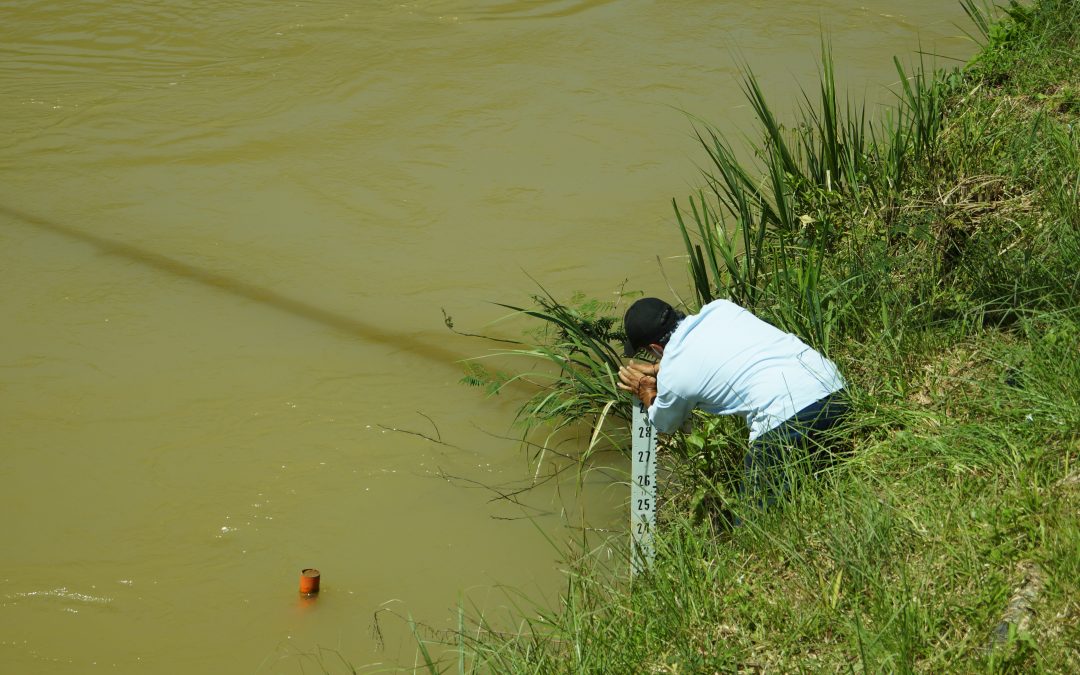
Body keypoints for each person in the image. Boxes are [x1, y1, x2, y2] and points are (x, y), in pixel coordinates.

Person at [616, 297, 849, 505]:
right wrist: (662, 368)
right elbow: (723, 349)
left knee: (753, 522)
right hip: (836, 390)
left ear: (656, 348)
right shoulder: (720, 308)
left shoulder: (674, 374)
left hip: (786, 419)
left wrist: (646, 392)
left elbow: (664, 423)